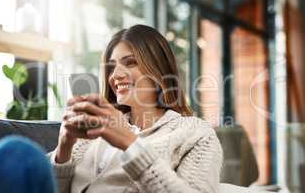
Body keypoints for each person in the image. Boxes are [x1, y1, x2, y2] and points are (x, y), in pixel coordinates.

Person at [49, 24, 223, 193]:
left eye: (130, 62)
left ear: (159, 69)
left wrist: (131, 145)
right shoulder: (93, 131)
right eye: (111, 67)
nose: (115, 75)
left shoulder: (196, 133)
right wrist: (63, 149)